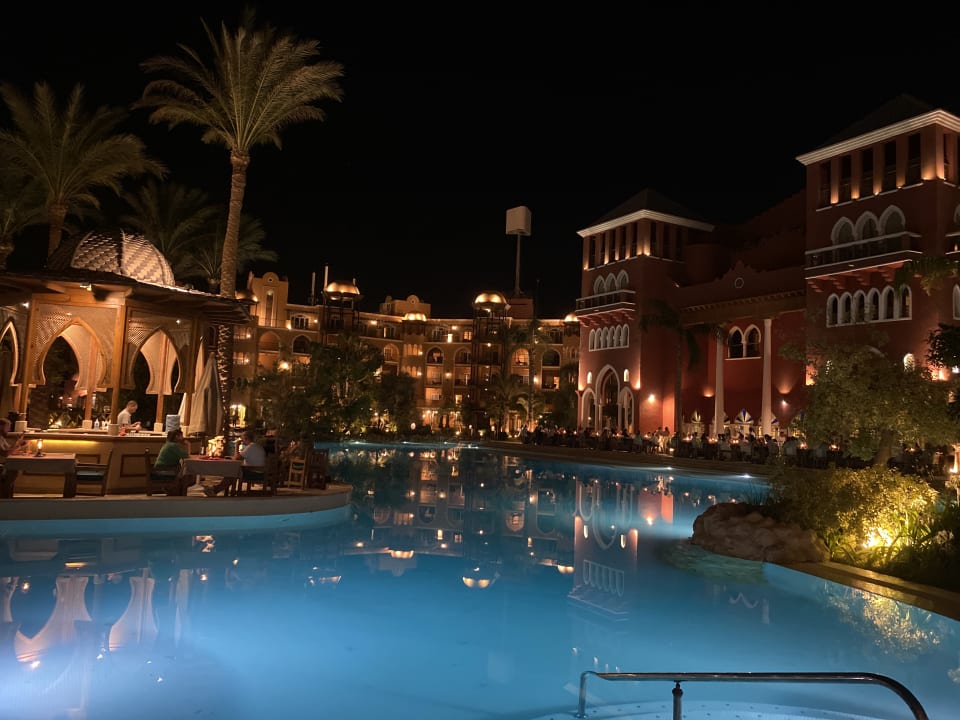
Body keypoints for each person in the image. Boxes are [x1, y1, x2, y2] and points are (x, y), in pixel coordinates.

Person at [204, 428, 265, 497]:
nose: (241, 441)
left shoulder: (250, 447)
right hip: (258, 471)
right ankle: (215, 490)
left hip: (255, 473)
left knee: (232, 472)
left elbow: (236, 458)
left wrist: (237, 445)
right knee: (233, 472)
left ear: (246, 438)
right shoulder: (256, 446)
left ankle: (215, 490)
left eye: (242, 439)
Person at [153, 428, 194, 493]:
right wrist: (189, 445)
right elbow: (187, 456)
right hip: (163, 471)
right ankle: (176, 491)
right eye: (181, 436)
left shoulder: (169, 444)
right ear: (177, 436)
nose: (183, 438)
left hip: (160, 469)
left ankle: (174, 490)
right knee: (186, 474)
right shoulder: (173, 446)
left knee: (183, 471)